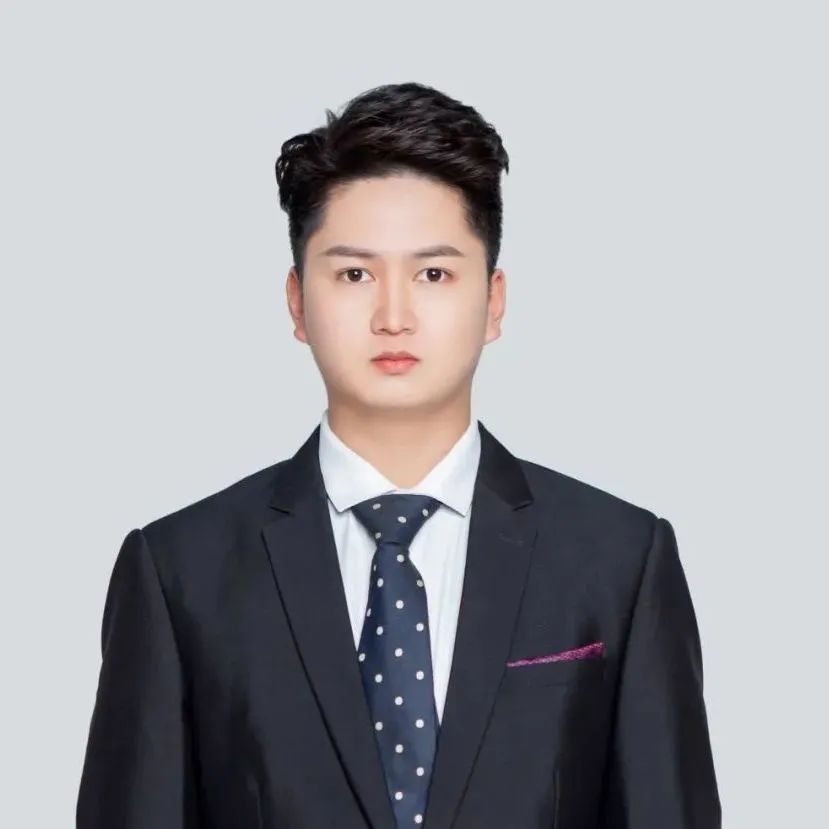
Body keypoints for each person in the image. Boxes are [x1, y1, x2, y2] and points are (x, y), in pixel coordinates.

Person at [76, 81, 721, 828]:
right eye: (354, 274)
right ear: (297, 301)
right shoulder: (178, 573)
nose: (393, 315)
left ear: (494, 300)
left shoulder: (619, 560)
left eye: (433, 274)